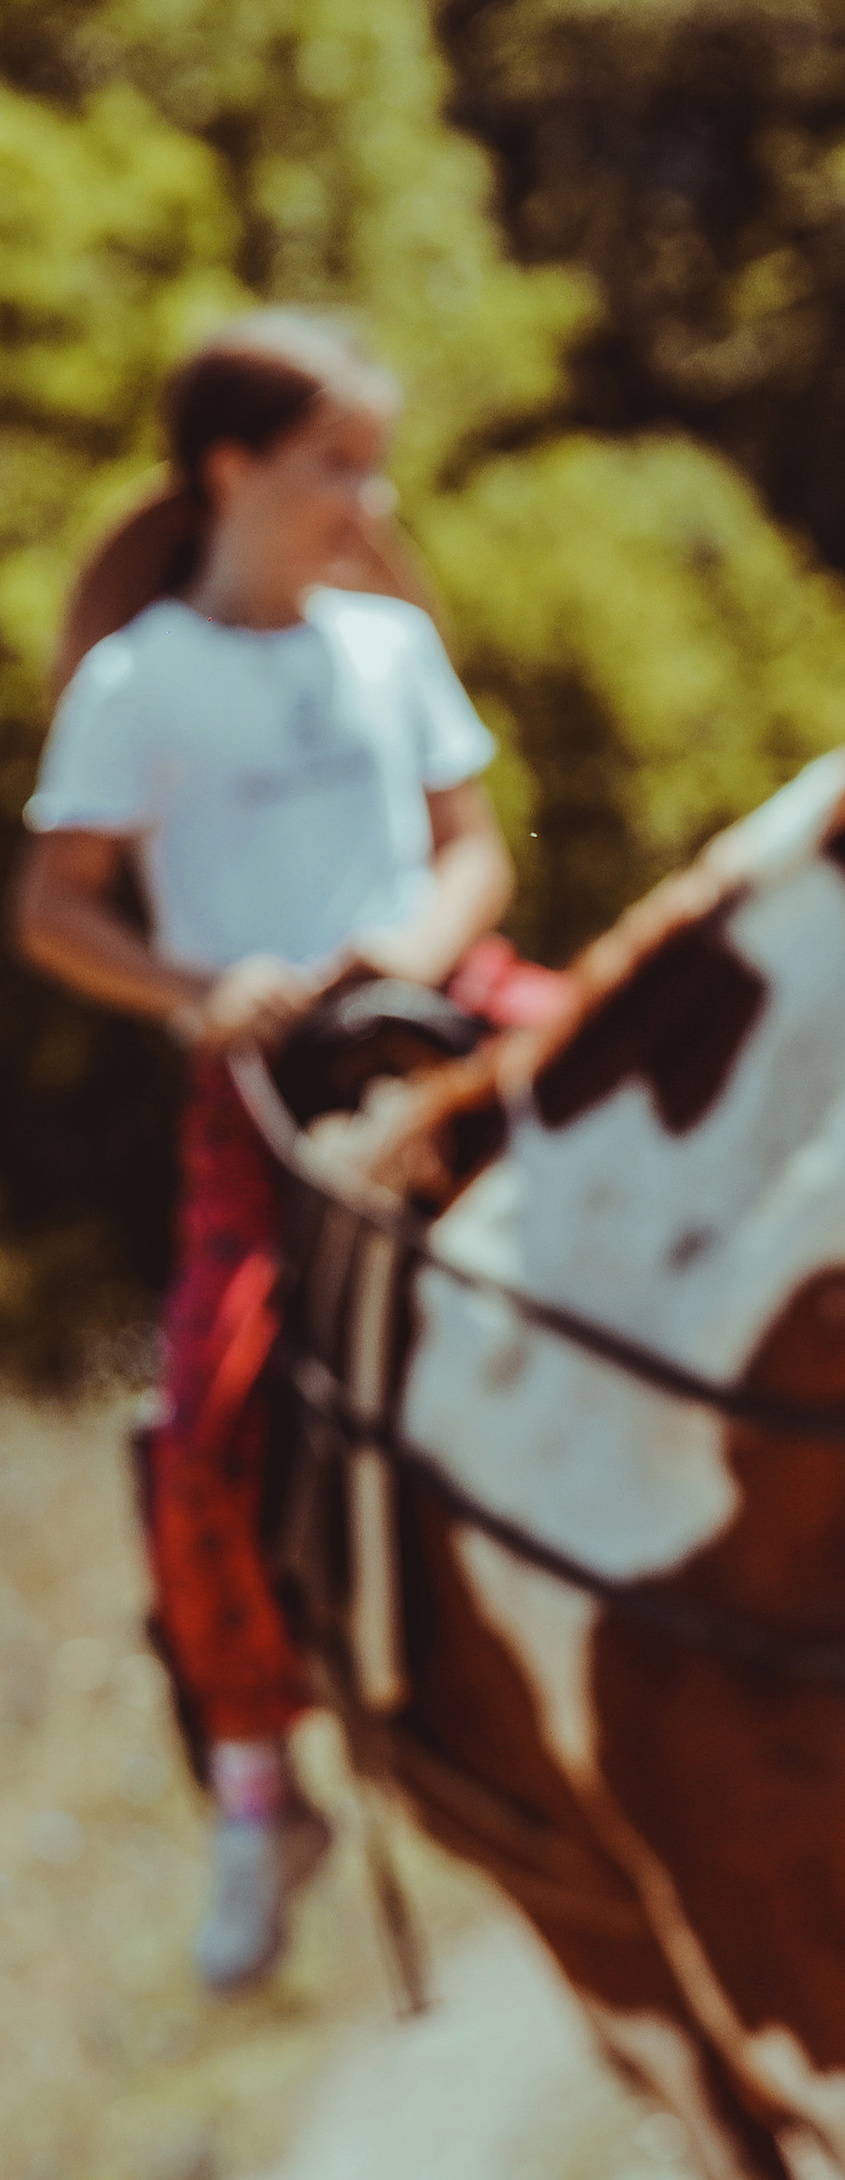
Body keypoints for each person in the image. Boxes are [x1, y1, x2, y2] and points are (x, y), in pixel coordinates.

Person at [13, 310, 531, 1994]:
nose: (366, 500)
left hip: (445, 1026)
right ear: (233, 469)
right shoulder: (140, 679)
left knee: (710, 1085)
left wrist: (411, 948)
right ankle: (260, 1785)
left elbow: (473, 849)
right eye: (336, 466)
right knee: (211, 1413)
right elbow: (56, 906)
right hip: (269, 1091)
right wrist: (199, 990)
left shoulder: (385, 647)